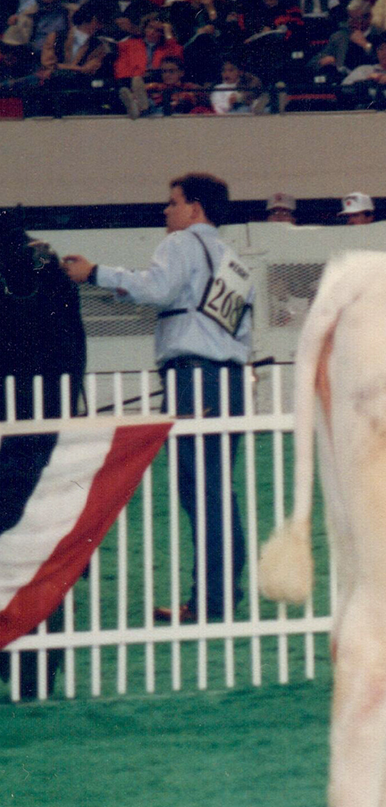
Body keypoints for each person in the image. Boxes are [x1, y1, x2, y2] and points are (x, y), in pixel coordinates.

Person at [60, 173, 254, 625]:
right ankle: (224, 593)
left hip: (194, 379)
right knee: (218, 491)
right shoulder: (233, 260)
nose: (166, 211)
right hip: (230, 380)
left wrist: (95, 274)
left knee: (199, 491)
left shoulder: (180, 245)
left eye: (172, 202)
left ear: (195, 209)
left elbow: (157, 289)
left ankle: (208, 601)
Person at [0, 206, 85, 699]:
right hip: (50, 423)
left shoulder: (14, 272)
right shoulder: (49, 267)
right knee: (43, 545)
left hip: (17, 426)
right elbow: (73, 347)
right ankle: (39, 662)